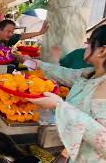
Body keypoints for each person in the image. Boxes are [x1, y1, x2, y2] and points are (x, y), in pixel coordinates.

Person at [26, 25, 106, 162]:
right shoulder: (88, 74)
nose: (85, 46)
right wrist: (29, 62)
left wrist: (59, 106)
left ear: (102, 51)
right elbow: (60, 72)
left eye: (89, 42)